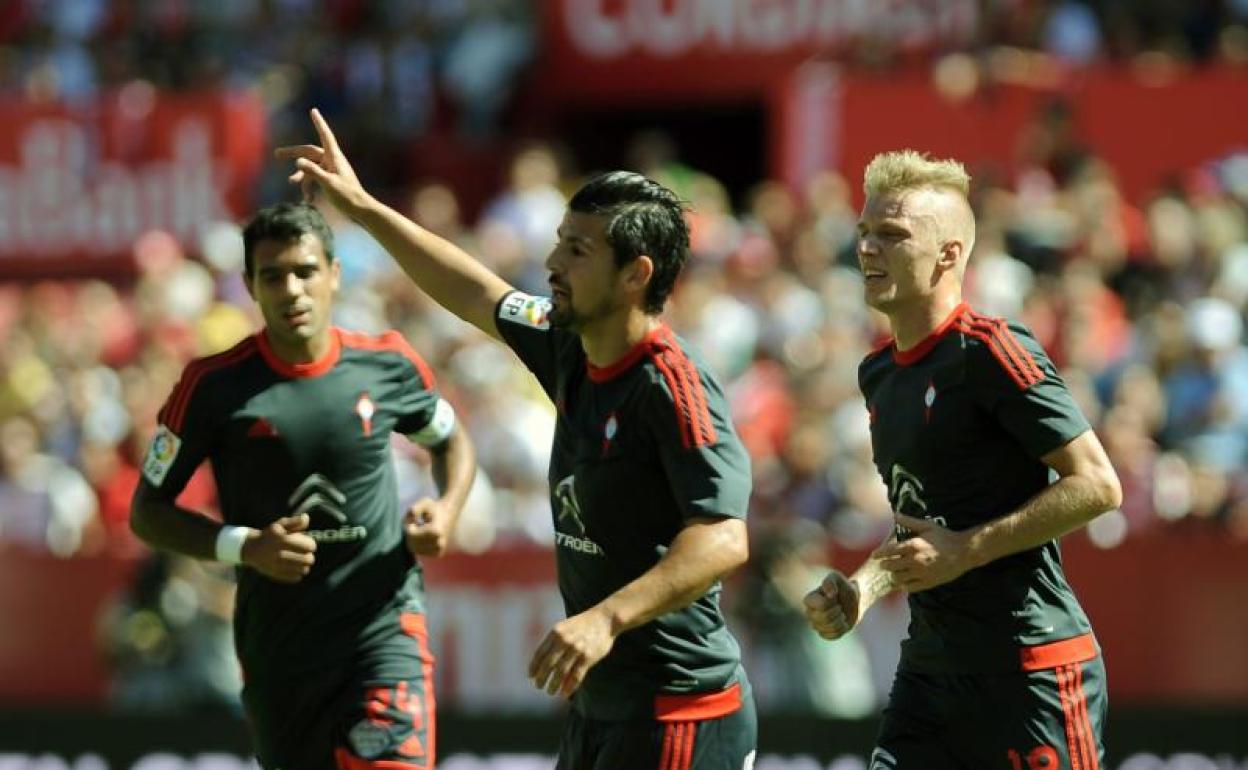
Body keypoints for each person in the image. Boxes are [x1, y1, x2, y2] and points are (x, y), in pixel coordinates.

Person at [279, 109, 756, 770]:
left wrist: (605, 619)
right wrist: (361, 207)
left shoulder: (672, 388)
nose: (552, 262)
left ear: (635, 274)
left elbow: (724, 537)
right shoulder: (568, 343)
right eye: (559, 241)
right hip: (601, 710)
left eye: (577, 250)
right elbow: (475, 289)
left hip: (678, 714)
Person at [803, 150, 1122, 770]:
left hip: (1028, 668)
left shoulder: (991, 349)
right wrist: (862, 591)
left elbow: (1099, 485)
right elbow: (921, 523)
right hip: (930, 673)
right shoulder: (878, 375)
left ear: (949, 254)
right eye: (863, 233)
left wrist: (970, 548)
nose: (867, 249)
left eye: (891, 235)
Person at [130, 202, 476, 770]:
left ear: (334, 275)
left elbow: (451, 439)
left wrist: (446, 508)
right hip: (281, 647)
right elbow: (148, 511)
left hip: (382, 626)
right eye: (273, 275)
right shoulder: (214, 386)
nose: (291, 290)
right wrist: (246, 546)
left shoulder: (387, 365)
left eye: (305, 271)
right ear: (249, 285)